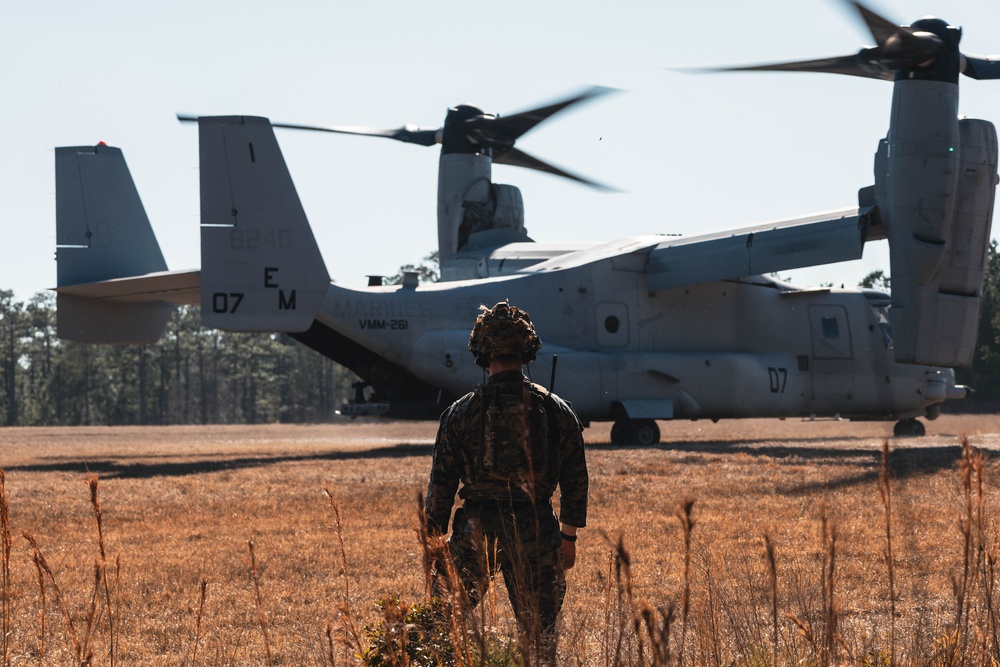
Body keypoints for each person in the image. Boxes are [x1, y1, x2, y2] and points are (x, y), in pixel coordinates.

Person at [425, 300, 588, 663]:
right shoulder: (556, 409)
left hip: (475, 532)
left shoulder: (460, 412)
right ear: (528, 351)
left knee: (440, 625)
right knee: (540, 635)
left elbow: (441, 486)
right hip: (537, 530)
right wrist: (568, 538)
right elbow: (576, 480)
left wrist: (433, 540)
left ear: (481, 354)